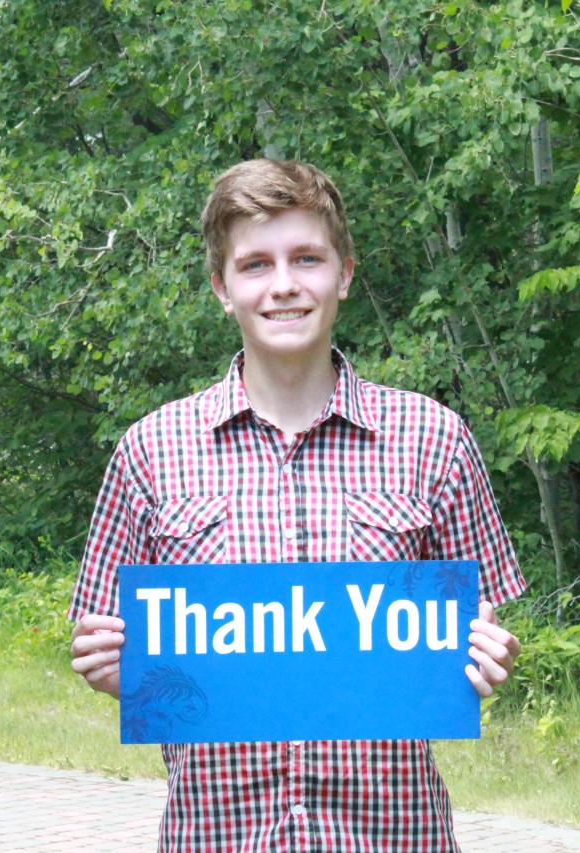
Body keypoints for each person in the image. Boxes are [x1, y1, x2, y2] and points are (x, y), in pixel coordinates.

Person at [69, 159, 527, 851]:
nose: (283, 285)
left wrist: (488, 656)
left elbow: (479, 627)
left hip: (393, 837)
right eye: (256, 264)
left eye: (306, 258)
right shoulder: (149, 453)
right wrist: (115, 668)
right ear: (222, 287)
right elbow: (124, 649)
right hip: (216, 838)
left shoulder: (435, 441)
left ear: (344, 271)